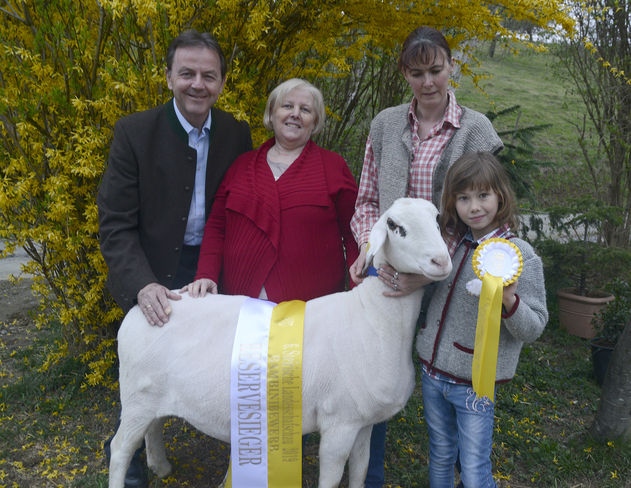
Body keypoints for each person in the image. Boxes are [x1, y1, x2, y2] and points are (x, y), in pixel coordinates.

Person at [348, 26, 503, 487]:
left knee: (450, 384)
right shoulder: (384, 124)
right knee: (370, 380)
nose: (428, 82)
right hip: (386, 279)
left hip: (449, 280)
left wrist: (430, 273)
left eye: (436, 70)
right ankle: (367, 476)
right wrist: (372, 253)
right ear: (405, 74)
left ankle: (463, 475)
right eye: (417, 73)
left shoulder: (476, 130)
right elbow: (367, 202)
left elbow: (483, 214)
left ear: (451, 66)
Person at [97, 29, 252, 487]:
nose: (197, 84)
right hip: (150, 271)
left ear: (221, 82)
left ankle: (237, 456)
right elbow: (115, 223)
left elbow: (239, 210)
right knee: (143, 369)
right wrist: (141, 284)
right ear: (168, 77)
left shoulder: (236, 133)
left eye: (209, 75)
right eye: (187, 73)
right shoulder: (133, 132)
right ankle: (136, 460)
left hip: (212, 272)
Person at [417, 151, 548, 487]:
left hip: (475, 384)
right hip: (432, 374)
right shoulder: (451, 244)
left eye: (483, 196)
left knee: (474, 470)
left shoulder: (520, 256)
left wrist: (509, 300)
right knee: (441, 454)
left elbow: (534, 326)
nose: (474, 207)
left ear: (500, 196)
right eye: (463, 198)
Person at [182, 78, 358, 302]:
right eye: (287, 106)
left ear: (314, 122)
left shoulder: (334, 167)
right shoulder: (240, 166)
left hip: (311, 311)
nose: (295, 114)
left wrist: (356, 292)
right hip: (241, 303)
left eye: (305, 109)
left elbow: (354, 235)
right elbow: (217, 227)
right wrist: (206, 274)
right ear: (271, 115)